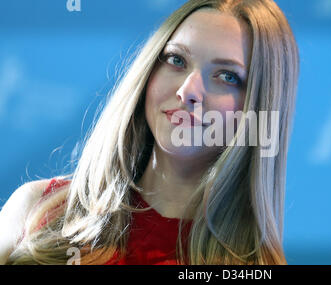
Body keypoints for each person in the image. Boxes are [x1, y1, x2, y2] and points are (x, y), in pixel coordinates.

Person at [0, 0, 299, 265]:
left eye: (227, 76)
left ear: (259, 106)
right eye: (176, 60)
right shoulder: (38, 209)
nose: (187, 91)